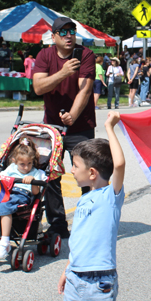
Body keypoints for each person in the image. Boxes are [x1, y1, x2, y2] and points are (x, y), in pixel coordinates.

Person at [57, 111, 125, 301]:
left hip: (99, 281)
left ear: (92, 173)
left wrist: (109, 128)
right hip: (76, 276)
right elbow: (80, 237)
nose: (72, 170)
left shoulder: (110, 196)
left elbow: (120, 164)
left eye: (75, 165)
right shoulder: (84, 198)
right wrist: (68, 267)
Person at [33, 16, 96, 239]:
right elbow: (38, 87)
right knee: (50, 176)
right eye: (64, 32)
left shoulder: (85, 54)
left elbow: (85, 90)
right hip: (52, 127)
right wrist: (63, 73)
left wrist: (72, 115)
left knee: (88, 176)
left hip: (81, 126)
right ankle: (58, 224)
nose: (69, 35)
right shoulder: (44, 55)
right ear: (54, 36)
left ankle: (91, 221)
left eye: (72, 31)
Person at [0, 138, 46, 260]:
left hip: (22, 195)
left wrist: (32, 182)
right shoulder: (11, 169)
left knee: (5, 205)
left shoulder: (35, 172)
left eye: (29, 163)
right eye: (22, 164)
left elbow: (35, 193)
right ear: (14, 161)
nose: (26, 167)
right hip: (5, 191)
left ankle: (4, 242)